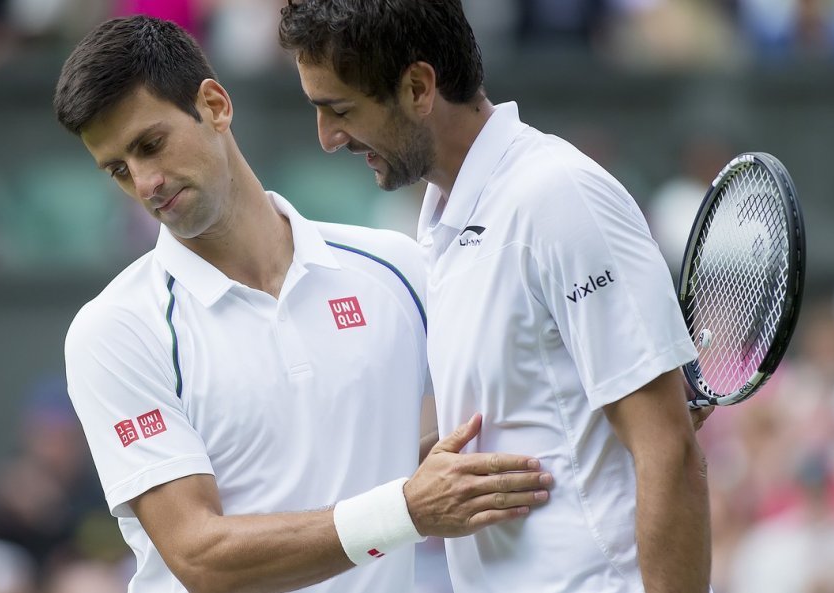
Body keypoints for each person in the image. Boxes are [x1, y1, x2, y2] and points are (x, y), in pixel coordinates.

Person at [54, 16, 552, 593]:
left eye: (150, 145)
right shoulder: (113, 331)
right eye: (118, 169)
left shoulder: (397, 268)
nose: (144, 184)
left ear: (215, 105)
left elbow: (463, 422)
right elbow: (200, 554)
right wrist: (408, 509)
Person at [279, 2, 712, 592]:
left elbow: (670, 452)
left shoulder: (557, 196)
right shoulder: (440, 222)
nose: (329, 138)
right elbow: (523, 418)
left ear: (417, 87)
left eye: (340, 110)